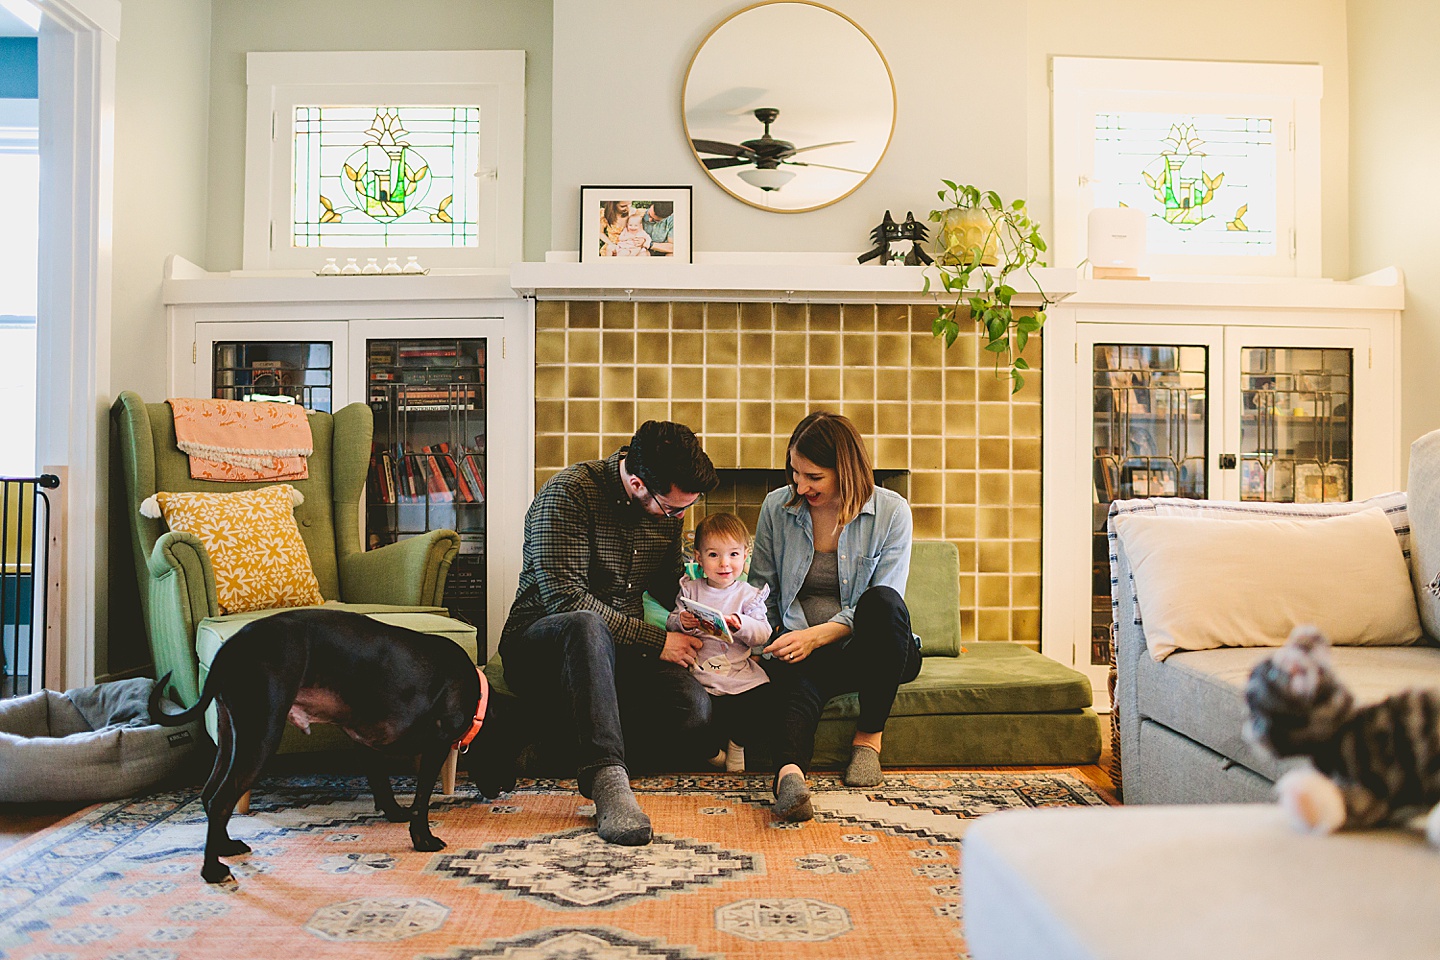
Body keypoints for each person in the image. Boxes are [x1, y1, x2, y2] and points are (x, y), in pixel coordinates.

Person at [498, 421, 718, 845]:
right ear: (637, 483)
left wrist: (715, 606)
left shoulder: (667, 509)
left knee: (693, 711)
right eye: (674, 510)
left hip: (620, 655)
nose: (680, 517)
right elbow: (566, 601)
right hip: (545, 649)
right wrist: (659, 642)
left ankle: (547, 748)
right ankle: (607, 782)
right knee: (586, 623)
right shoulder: (568, 495)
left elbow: (666, 583)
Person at [750, 411, 921, 822]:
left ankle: (868, 741)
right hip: (804, 647)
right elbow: (762, 590)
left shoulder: (892, 513)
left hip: (876, 650)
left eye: (813, 477)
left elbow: (886, 597)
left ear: (844, 471)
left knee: (882, 603)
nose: (800, 486)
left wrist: (818, 635)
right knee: (793, 681)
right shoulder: (778, 507)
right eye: (795, 473)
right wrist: (764, 639)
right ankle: (789, 779)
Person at [666, 512, 775, 773]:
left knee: (767, 699)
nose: (725, 563)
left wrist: (742, 624)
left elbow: (763, 633)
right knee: (687, 713)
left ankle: (738, 744)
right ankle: (711, 754)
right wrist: (683, 620)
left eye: (733, 555)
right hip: (700, 675)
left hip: (739, 674)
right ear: (699, 558)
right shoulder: (691, 589)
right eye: (714, 555)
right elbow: (671, 621)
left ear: (745, 555)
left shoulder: (749, 596)